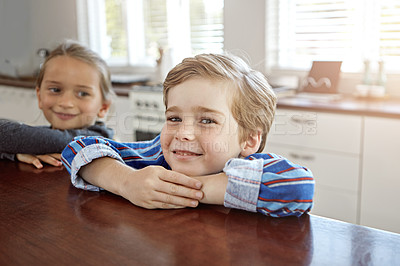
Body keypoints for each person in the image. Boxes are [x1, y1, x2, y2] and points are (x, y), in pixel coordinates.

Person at [62, 53, 314, 217]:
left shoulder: (256, 170)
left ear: (248, 140)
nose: (183, 133)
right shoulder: (158, 154)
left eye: (207, 120)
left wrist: (183, 190)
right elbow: (77, 148)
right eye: (174, 118)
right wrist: (127, 182)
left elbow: (299, 188)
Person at [0, 40, 114, 169]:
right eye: (55, 90)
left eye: (82, 93)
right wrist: (16, 154)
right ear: (39, 96)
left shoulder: (97, 139)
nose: (65, 103)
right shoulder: (40, 139)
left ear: (103, 107)